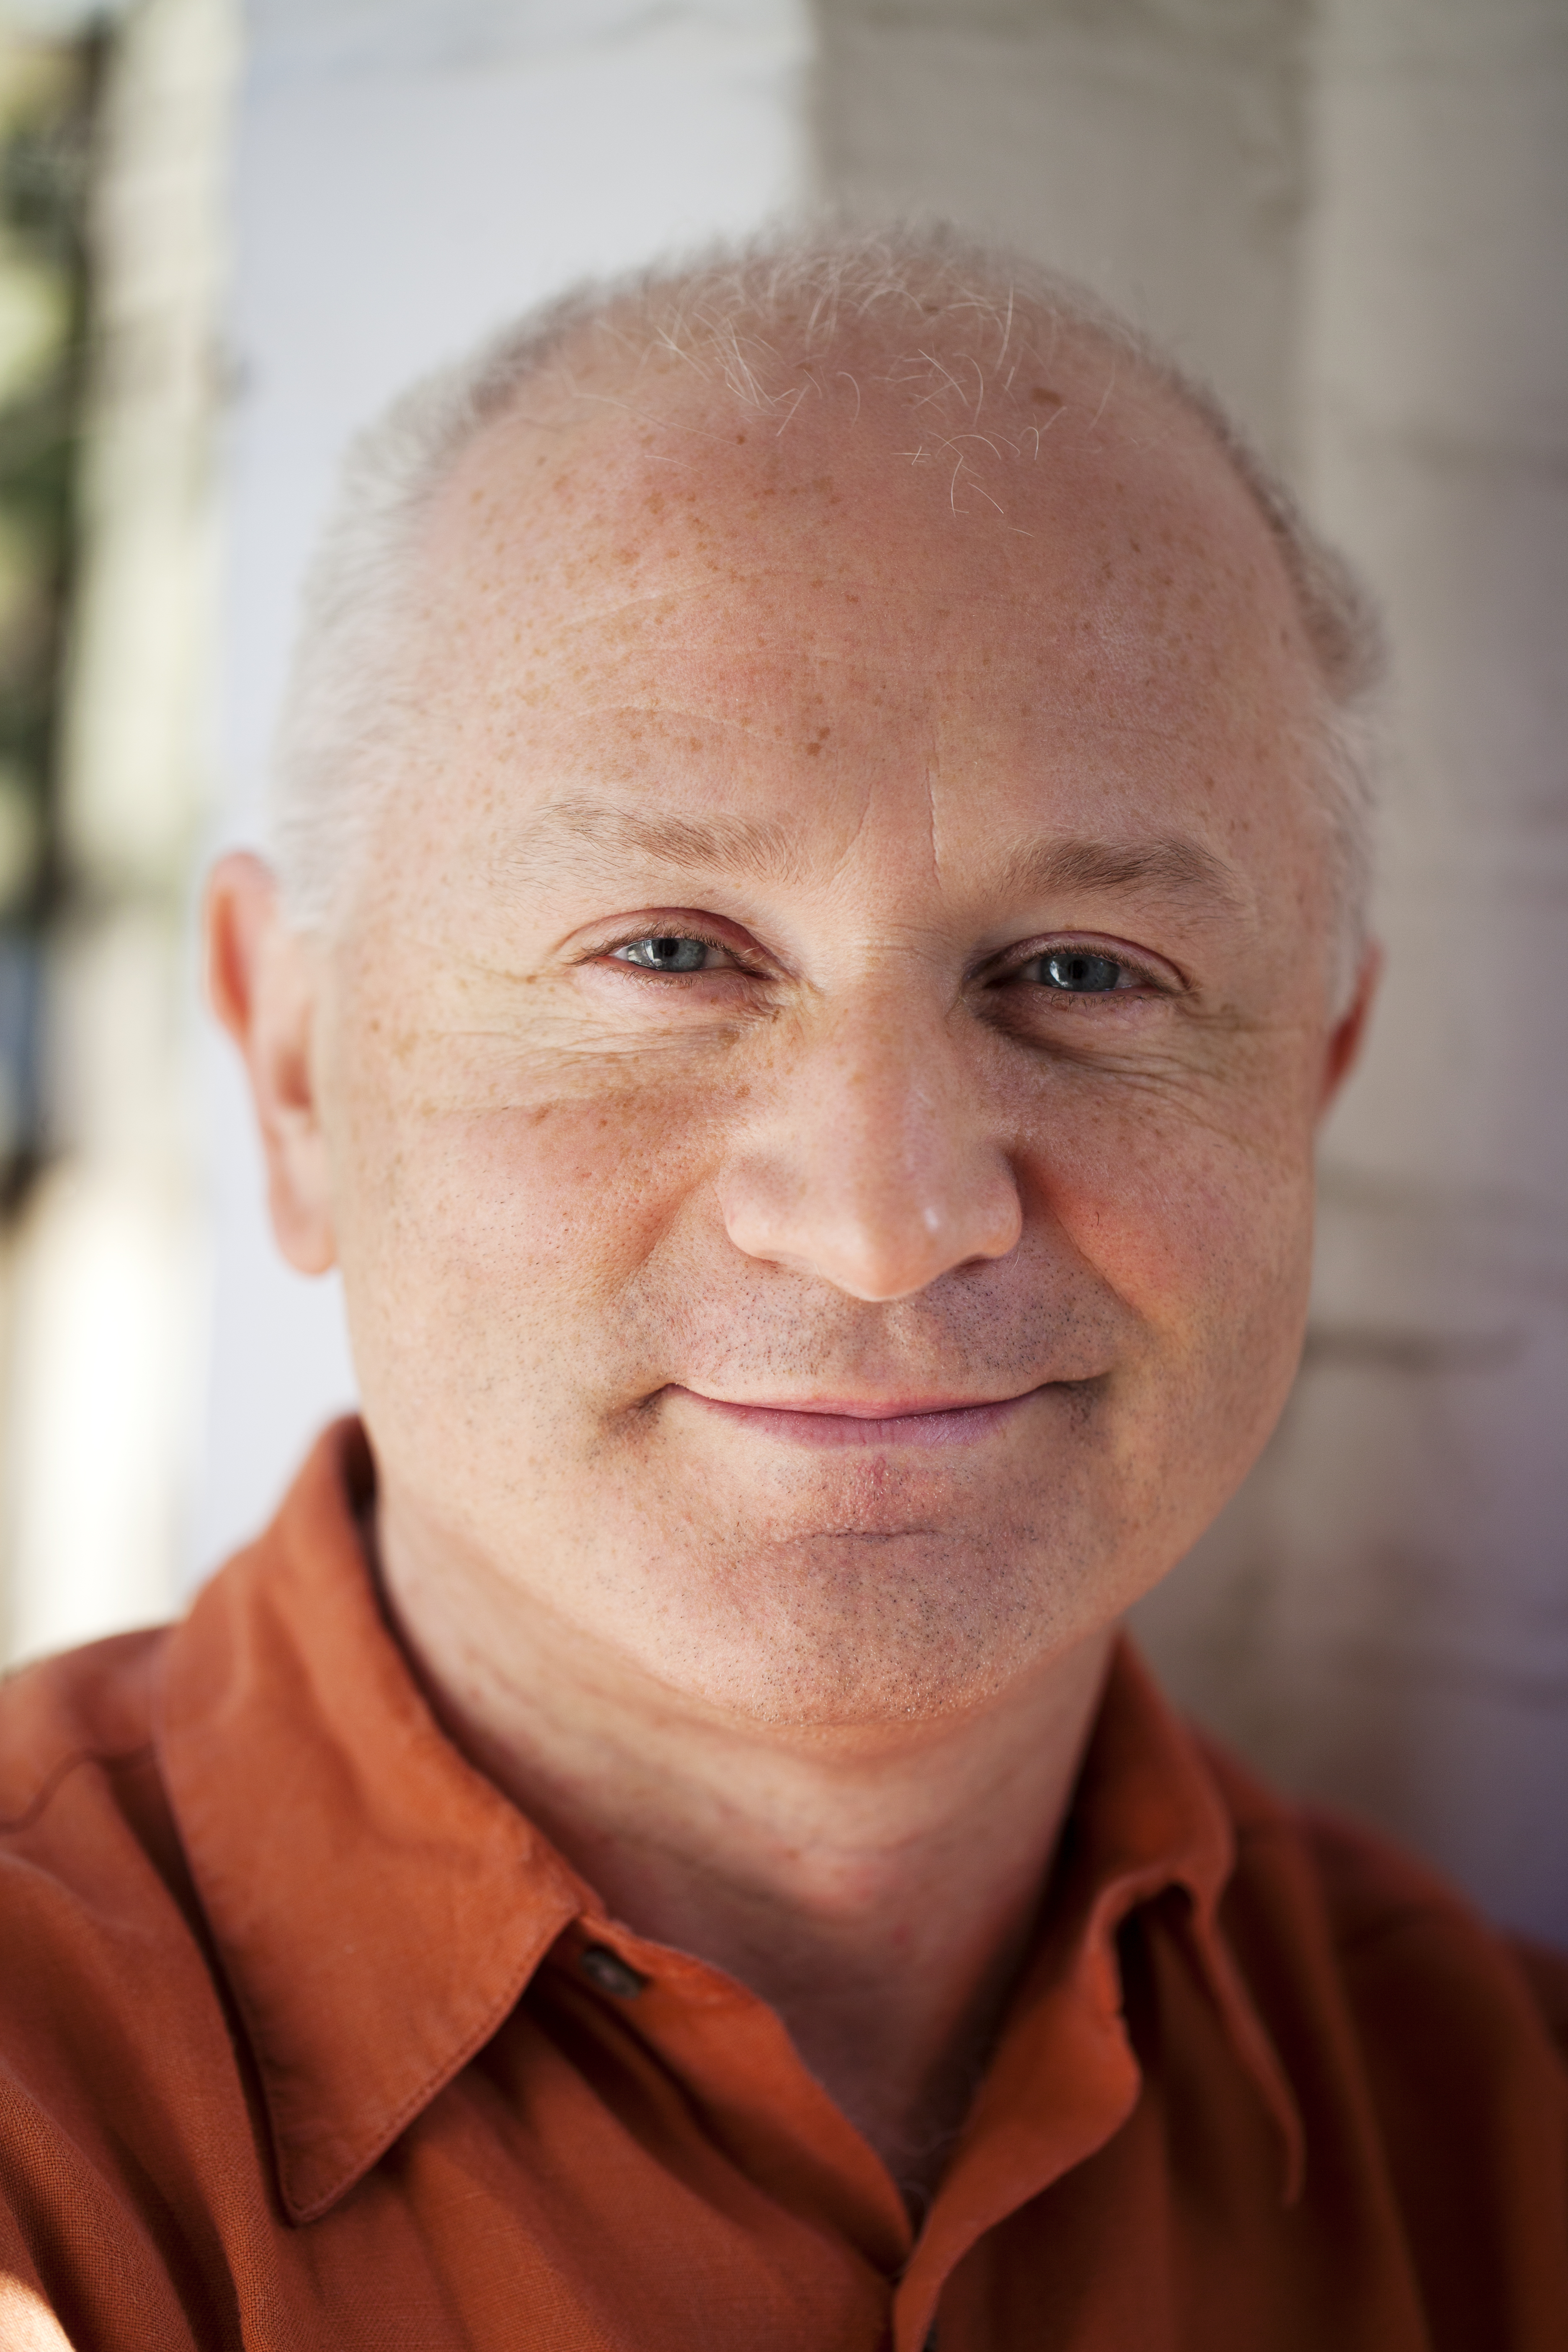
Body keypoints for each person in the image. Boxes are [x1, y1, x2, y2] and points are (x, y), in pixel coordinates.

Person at [0, 226, 1563, 2352]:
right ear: (291, 1067)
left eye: (1084, 974)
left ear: (1313, 1085)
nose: (885, 1216)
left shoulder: (1498, 2137)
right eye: (670, 952)